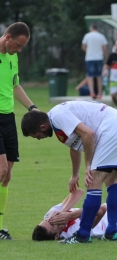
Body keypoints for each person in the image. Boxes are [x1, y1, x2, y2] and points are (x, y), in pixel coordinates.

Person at [21, 100, 117, 244]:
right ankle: (112, 231)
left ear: (42, 126)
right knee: (112, 180)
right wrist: (75, 174)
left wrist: (88, 165)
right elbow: (75, 146)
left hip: (113, 128)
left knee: (93, 181)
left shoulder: (57, 116)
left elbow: (88, 134)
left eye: (36, 135)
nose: (39, 138)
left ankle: (82, 235)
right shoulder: (57, 122)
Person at [0, 22, 38, 240]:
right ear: (7, 37)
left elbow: (15, 86)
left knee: (7, 176)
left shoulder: (13, 58)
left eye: (23, 47)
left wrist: (32, 107)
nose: (20, 50)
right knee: (1, 170)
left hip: (8, 119)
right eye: (18, 45)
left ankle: (0, 227)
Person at [82, 24, 108, 99]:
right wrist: (106, 58)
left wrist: (89, 51)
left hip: (90, 58)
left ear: (91, 28)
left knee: (90, 76)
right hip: (99, 57)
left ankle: (92, 93)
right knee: (99, 76)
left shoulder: (87, 36)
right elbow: (105, 48)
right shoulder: (101, 36)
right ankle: (99, 93)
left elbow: (83, 46)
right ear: (97, 28)